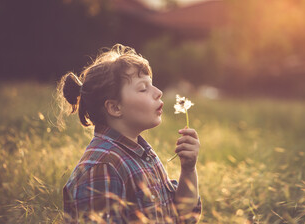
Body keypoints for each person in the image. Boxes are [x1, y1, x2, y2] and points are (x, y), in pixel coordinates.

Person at [58, 44, 201, 223]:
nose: (158, 93)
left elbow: (182, 217)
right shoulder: (102, 169)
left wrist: (188, 169)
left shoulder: (141, 154)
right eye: (143, 88)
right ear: (115, 107)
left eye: (152, 85)